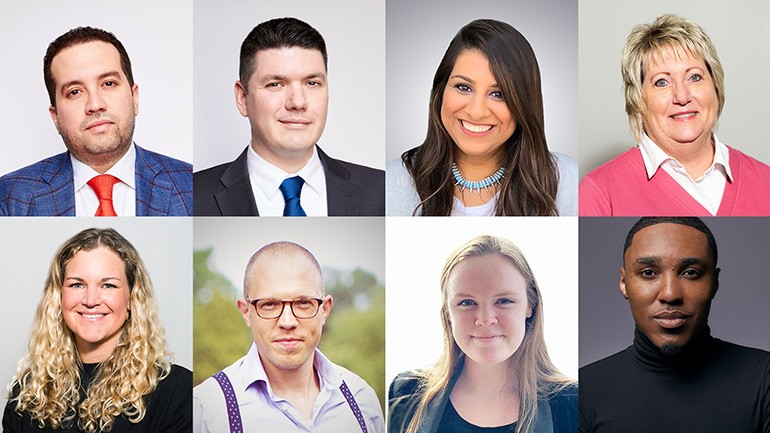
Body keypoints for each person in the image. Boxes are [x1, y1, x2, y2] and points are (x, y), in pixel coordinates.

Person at [579, 217, 770, 432]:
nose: (670, 294)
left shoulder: (764, 377)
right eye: (649, 273)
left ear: (714, 283)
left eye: (690, 273)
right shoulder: (583, 390)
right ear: (624, 283)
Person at [2, 228, 191, 432]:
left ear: (131, 298)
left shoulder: (177, 391)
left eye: (108, 285)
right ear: (59, 297)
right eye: (77, 285)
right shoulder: (27, 393)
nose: (91, 300)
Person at [579, 14, 770, 216]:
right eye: (662, 82)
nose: (682, 96)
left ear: (715, 86)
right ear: (637, 97)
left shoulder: (765, 181)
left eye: (694, 77)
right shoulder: (599, 193)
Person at [193, 18, 385, 216]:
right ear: (242, 98)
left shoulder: (380, 191)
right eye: (275, 84)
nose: (298, 102)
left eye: (312, 83)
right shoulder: (194, 195)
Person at [386, 19, 577, 216]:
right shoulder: (391, 183)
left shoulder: (568, 182)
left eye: (498, 94)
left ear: (524, 103)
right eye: (463, 87)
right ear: (440, 91)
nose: (477, 112)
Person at [389, 235, 577, 433]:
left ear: (530, 306)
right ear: (448, 313)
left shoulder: (573, 404)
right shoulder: (405, 394)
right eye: (467, 303)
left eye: (504, 301)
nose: (485, 319)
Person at [0, 27, 192, 216]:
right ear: (55, 116)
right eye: (74, 91)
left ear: (134, 98)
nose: (95, 104)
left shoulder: (189, 184)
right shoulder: (10, 197)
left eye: (108, 83)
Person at [193, 241, 384, 432]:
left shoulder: (361, 399)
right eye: (269, 304)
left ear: (324, 310)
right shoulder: (207, 410)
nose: (287, 321)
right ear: (246, 312)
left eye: (303, 303)